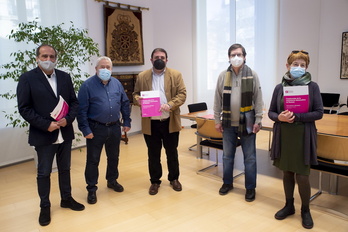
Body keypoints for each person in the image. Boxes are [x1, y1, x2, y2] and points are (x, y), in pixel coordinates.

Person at [17, 44, 85, 226]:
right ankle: (45, 206)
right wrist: (46, 124)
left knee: (65, 169)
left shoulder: (64, 77)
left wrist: (68, 120)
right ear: (37, 58)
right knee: (44, 172)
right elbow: (24, 108)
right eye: (44, 56)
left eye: (52, 56)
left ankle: (66, 198)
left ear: (56, 59)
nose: (48, 60)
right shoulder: (27, 79)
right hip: (44, 134)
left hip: (65, 132)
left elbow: (74, 102)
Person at [268, 50, 323, 229]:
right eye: (295, 64)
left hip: (303, 136)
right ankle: (289, 205)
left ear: (306, 67)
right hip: (284, 135)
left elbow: (319, 113)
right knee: (286, 172)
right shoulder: (279, 88)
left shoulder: (312, 87)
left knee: (302, 175)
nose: (298, 67)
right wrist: (280, 118)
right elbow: (271, 112)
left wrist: (297, 117)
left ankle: (305, 210)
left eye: (302, 65)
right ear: (287, 66)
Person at [77, 56, 131, 204]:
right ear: (96, 69)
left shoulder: (117, 84)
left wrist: (127, 121)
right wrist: (85, 130)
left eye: (108, 67)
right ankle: (92, 188)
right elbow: (81, 111)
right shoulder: (87, 86)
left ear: (112, 69)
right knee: (93, 160)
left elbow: (125, 103)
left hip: (114, 127)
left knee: (114, 157)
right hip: (95, 128)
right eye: (102, 66)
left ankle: (112, 180)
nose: (105, 69)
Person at [133, 48, 186, 195]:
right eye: (156, 57)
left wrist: (170, 105)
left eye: (162, 57)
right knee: (153, 153)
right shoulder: (142, 76)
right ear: (151, 60)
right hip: (151, 122)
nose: (159, 59)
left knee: (172, 152)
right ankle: (155, 181)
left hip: (169, 120)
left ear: (166, 60)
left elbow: (182, 94)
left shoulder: (176, 75)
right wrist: (140, 101)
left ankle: (174, 179)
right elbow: (135, 94)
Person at [213, 43, 263, 202]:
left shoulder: (252, 75)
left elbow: (258, 99)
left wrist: (259, 120)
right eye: (233, 55)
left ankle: (250, 188)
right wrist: (216, 120)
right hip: (228, 124)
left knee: (250, 158)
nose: (236, 57)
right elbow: (217, 99)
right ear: (228, 57)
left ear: (245, 56)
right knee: (227, 156)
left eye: (239, 54)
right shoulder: (222, 76)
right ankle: (227, 183)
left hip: (247, 123)